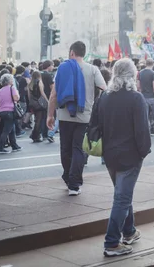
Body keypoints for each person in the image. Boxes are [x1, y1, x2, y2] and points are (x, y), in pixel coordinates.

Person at [97, 59, 151, 257]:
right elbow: (142, 131)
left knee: (122, 194)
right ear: (133, 74)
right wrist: (144, 151)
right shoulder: (136, 98)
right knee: (122, 198)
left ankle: (129, 232)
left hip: (110, 154)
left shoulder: (104, 97)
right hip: (130, 155)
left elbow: (96, 124)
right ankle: (111, 242)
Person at [47, 41, 106, 196]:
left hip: (65, 115)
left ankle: (68, 177)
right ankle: (74, 184)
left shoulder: (62, 68)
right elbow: (104, 88)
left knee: (65, 148)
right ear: (84, 53)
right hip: (84, 115)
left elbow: (54, 94)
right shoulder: (93, 69)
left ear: (72, 52)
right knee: (78, 149)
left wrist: (49, 115)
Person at [138, 59, 154, 141]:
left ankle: (147, 133)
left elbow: (138, 87)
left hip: (143, 97)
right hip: (152, 97)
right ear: (152, 64)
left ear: (145, 64)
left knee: (145, 117)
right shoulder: (153, 74)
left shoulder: (140, 73)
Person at [0, 73, 22, 154]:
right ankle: (0, 147)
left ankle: (14, 145)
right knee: (7, 130)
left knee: (11, 129)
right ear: (10, 81)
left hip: (2, 111)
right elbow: (16, 98)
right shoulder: (12, 88)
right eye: (11, 79)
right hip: (10, 111)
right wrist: (17, 93)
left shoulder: (0, 90)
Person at [28, 70, 48, 143]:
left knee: (36, 119)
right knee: (39, 120)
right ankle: (35, 135)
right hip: (39, 103)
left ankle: (35, 135)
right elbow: (42, 93)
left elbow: (29, 95)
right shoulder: (39, 82)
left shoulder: (30, 83)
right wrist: (47, 101)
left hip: (33, 103)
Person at [41, 60, 55, 142]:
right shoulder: (48, 75)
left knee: (42, 117)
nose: (53, 67)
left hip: (40, 98)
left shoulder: (39, 74)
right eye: (52, 65)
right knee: (50, 116)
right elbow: (52, 88)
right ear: (49, 66)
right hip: (48, 97)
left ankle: (43, 134)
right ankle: (48, 133)